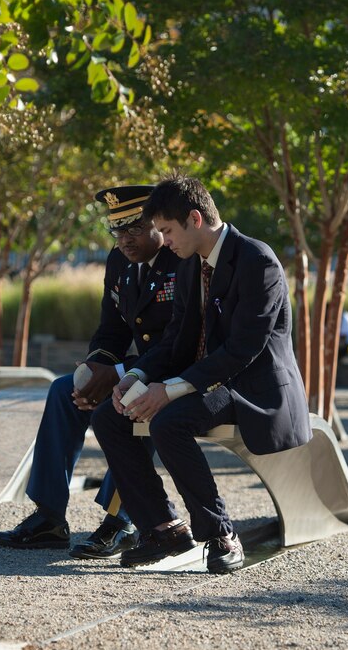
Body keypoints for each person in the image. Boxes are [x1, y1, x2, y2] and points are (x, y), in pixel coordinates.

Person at [91, 174, 311, 574]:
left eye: (167, 230)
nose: (165, 240)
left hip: (252, 387)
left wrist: (169, 391)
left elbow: (243, 350)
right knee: (109, 414)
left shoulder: (256, 260)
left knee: (170, 421)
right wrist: (136, 375)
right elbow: (176, 339)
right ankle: (162, 528)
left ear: (195, 219)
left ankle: (220, 534)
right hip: (210, 381)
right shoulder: (193, 266)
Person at [0, 185, 181, 559]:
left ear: (159, 225)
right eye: (118, 230)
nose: (125, 239)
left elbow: (180, 341)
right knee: (64, 391)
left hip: (173, 372)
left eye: (135, 228)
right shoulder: (119, 262)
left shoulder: (181, 261)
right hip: (138, 369)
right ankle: (49, 517)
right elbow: (112, 330)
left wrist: (121, 373)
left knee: (127, 401)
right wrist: (95, 368)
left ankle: (119, 522)